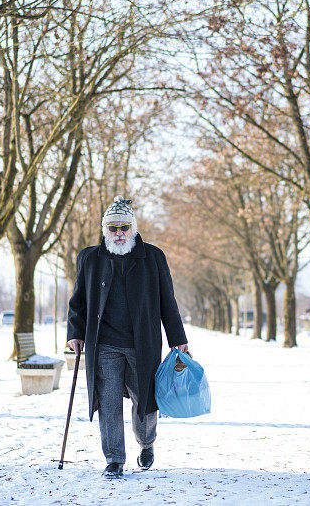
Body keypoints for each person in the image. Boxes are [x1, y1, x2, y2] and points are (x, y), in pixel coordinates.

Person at [67, 195, 189, 478]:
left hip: (142, 343)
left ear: (133, 228)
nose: (119, 233)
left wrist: (177, 338)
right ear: (104, 230)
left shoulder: (153, 257)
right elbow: (78, 302)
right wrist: (75, 333)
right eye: (113, 228)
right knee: (107, 402)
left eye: (124, 227)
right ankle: (114, 458)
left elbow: (167, 301)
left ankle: (146, 443)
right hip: (104, 344)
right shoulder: (89, 258)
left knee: (144, 400)